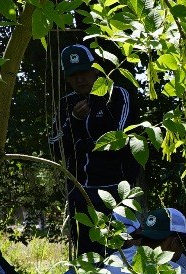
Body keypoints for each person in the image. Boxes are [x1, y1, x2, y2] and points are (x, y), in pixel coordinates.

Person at [49, 43, 140, 258]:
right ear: (67, 78)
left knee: (124, 253)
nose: (80, 79)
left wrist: (81, 144)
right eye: (73, 75)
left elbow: (119, 142)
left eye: (84, 72)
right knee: (87, 258)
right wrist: (75, 120)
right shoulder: (66, 105)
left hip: (116, 192)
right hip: (79, 194)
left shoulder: (117, 96)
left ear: (96, 70)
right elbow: (56, 148)